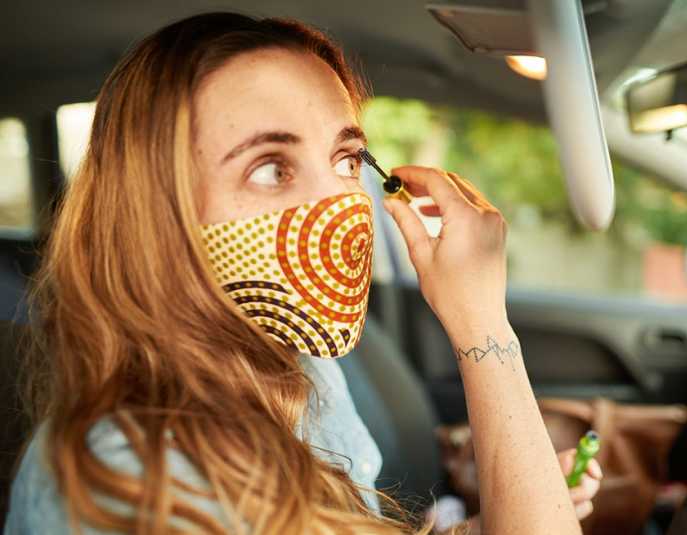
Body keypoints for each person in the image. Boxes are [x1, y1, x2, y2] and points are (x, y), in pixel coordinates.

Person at [5, 12, 601, 535]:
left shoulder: (302, 364)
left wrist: (500, 513)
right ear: (160, 215)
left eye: (346, 160)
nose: (339, 204)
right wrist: (479, 319)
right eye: (270, 168)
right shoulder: (127, 471)